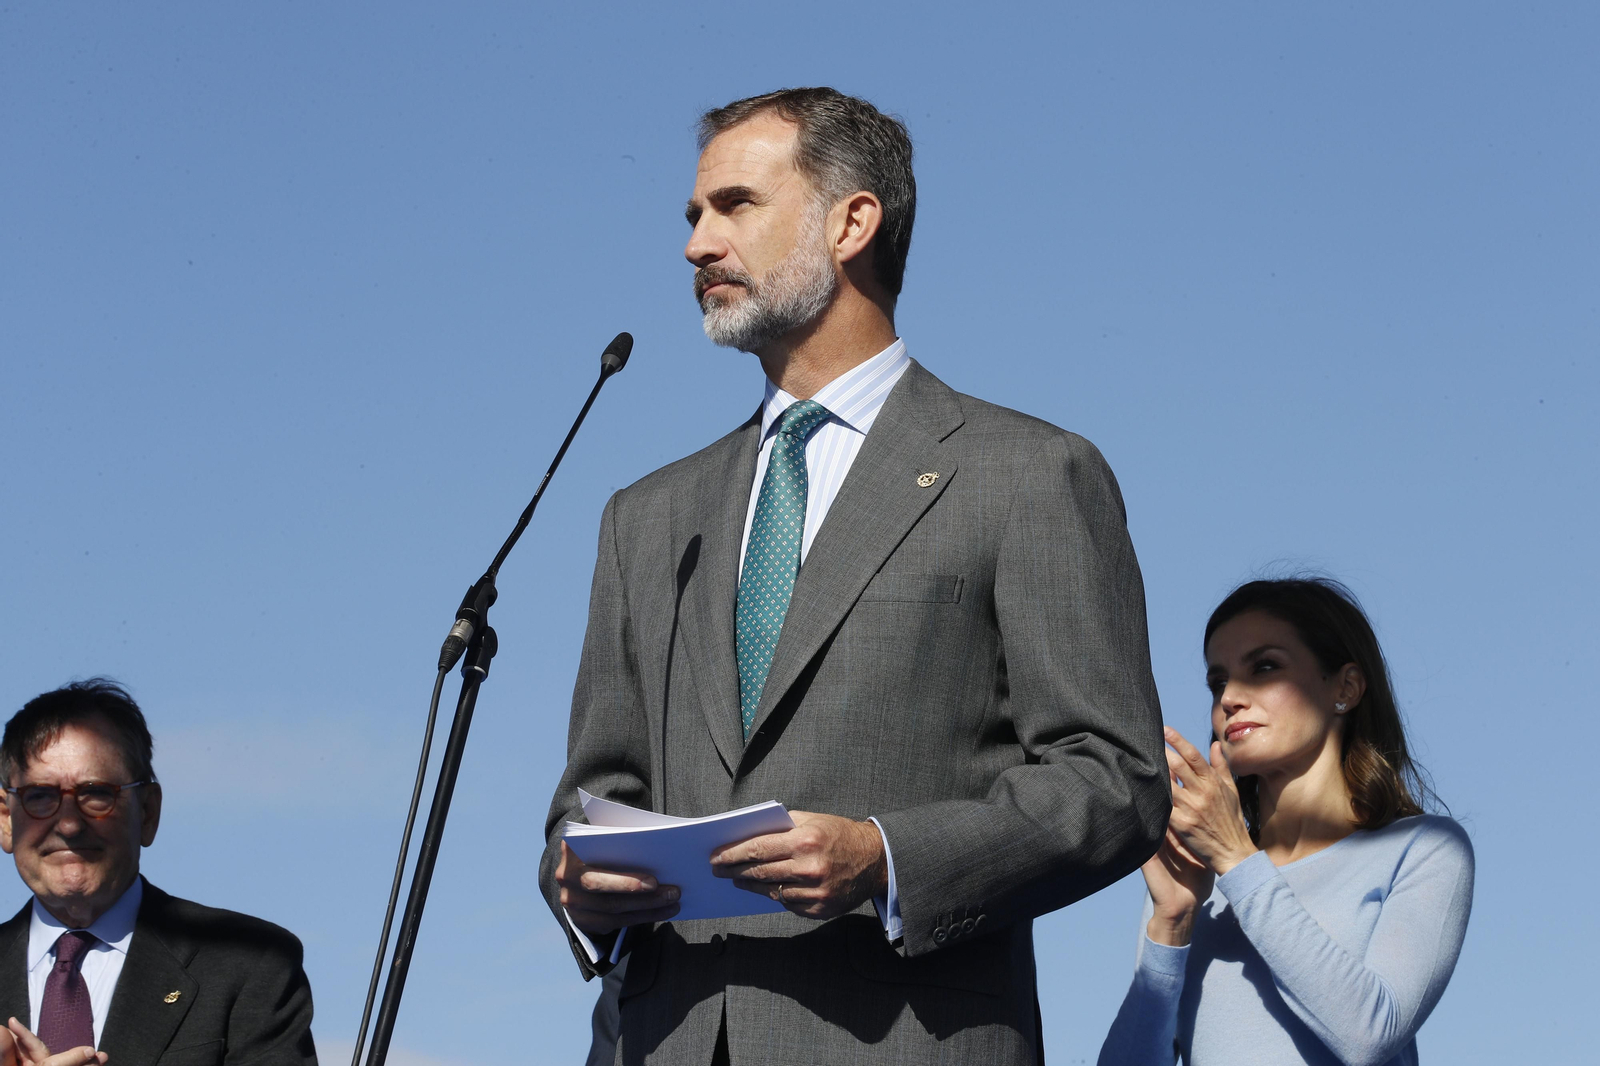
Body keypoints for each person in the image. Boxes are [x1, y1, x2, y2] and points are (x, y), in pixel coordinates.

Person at [540, 86, 1170, 1065]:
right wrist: (578, 883)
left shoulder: (1027, 473)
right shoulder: (646, 517)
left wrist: (886, 857)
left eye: (735, 205)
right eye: (694, 214)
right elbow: (591, 794)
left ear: (852, 221)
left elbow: (1115, 781)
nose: (697, 243)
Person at [1098, 578, 1474, 1066]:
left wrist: (1238, 860)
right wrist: (1171, 924)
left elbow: (1370, 1035)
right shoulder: (1194, 884)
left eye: (1264, 667)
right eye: (1218, 681)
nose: (1231, 695)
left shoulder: (1425, 849)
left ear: (1345, 687)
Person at [0, 679, 317, 1065]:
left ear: (148, 812)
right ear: (5, 820)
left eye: (96, 793)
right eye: (41, 796)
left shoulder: (250, 964)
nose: (68, 824)